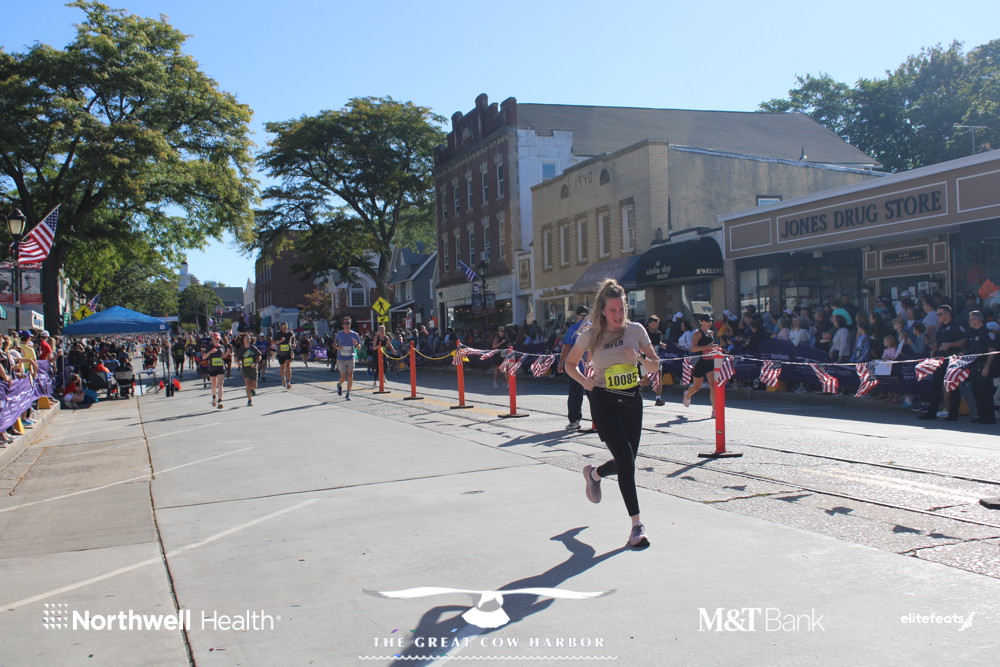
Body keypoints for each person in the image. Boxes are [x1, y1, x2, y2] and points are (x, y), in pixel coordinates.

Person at [564, 280, 659, 548]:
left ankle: (594, 474)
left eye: (622, 309)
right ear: (603, 310)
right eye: (613, 310)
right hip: (604, 401)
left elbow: (655, 365)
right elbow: (569, 364)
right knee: (626, 461)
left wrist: (639, 357)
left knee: (627, 462)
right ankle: (636, 526)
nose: (619, 315)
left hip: (632, 401)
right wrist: (584, 381)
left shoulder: (636, 330)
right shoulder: (590, 334)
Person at [919, 305, 966, 421]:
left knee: (952, 387)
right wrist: (934, 350)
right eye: (937, 314)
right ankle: (931, 412)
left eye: (940, 314)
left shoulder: (955, 326)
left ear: (947, 313)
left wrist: (950, 345)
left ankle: (953, 414)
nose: (938, 316)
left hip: (952, 360)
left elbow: (964, 340)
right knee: (935, 386)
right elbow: (939, 343)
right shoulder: (941, 327)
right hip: (941, 360)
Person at [557, 306, 591, 429]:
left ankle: (574, 421)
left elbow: (567, 347)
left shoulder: (574, 328)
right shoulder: (595, 327)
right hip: (592, 369)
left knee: (575, 395)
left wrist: (561, 362)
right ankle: (599, 422)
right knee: (594, 396)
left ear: (577, 316)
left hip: (576, 368)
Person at [681, 314, 722, 417]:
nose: (709, 323)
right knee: (697, 386)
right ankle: (687, 394)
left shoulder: (711, 333)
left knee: (713, 385)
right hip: (699, 362)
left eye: (710, 321)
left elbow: (710, 347)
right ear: (702, 322)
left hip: (710, 361)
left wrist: (715, 349)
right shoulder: (697, 334)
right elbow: (693, 349)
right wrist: (707, 347)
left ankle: (714, 410)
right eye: (707, 321)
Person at [965, 311, 997, 425]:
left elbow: (992, 351)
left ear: (977, 320)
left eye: (970, 319)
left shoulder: (986, 333)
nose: (969, 321)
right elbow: (969, 349)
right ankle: (981, 415)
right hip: (974, 366)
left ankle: (989, 417)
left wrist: (987, 366)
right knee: (976, 392)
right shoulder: (972, 333)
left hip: (983, 366)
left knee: (985, 392)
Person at [333, 317, 362, 400]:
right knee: (343, 377)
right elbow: (334, 344)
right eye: (345, 323)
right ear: (343, 325)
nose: (347, 325)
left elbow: (359, 347)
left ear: (350, 324)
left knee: (350, 375)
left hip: (351, 357)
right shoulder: (339, 334)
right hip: (341, 358)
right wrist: (337, 347)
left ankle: (348, 393)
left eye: (348, 323)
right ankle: (339, 384)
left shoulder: (354, 334)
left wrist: (356, 344)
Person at [645, 314, 666, 406]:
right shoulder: (644, 332)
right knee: (646, 381)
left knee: (659, 377)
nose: (655, 326)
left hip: (656, 358)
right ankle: (637, 386)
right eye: (653, 324)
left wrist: (661, 344)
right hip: (645, 358)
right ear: (649, 324)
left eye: (656, 325)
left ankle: (658, 398)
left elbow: (656, 343)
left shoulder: (658, 333)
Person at [236, 332, 262, 407]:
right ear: (243, 340)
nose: (247, 339)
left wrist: (255, 363)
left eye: (249, 338)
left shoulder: (253, 348)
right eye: (246, 338)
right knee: (247, 384)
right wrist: (238, 363)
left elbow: (259, 356)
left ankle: (252, 389)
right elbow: (238, 359)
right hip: (245, 369)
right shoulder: (241, 349)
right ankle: (249, 400)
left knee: (254, 385)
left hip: (253, 368)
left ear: (251, 339)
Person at [205, 331, 229, 409]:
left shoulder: (222, 347)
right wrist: (210, 352)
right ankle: (214, 398)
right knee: (213, 384)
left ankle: (220, 401)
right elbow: (204, 357)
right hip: (212, 368)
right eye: (215, 339)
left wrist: (227, 353)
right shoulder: (209, 347)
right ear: (212, 339)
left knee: (220, 384)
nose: (217, 340)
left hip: (220, 367)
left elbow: (223, 356)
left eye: (218, 339)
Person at [272, 322, 295, 389]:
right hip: (280, 353)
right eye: (283, 327)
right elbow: (273, 342)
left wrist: (294, 344)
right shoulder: (277, 333)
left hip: (288, 352)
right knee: (282, 366)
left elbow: (293, 339)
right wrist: (280, 341)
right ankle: (283, 378)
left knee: (288, 365)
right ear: (281, 327)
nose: (285, 328)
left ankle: (289, 382)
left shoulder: (290, 333)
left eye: (286, 327)